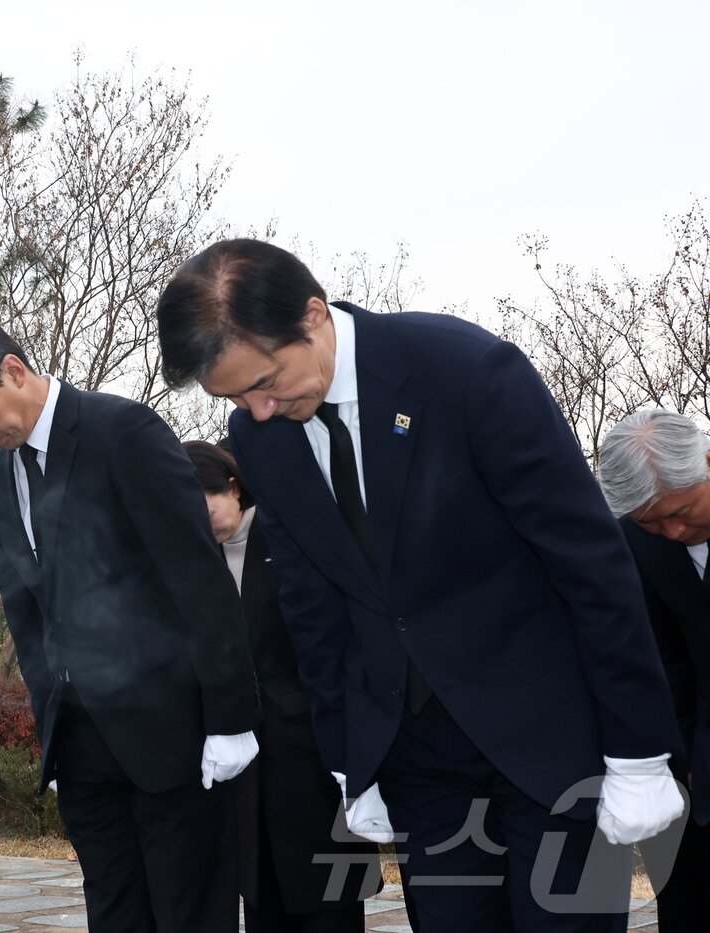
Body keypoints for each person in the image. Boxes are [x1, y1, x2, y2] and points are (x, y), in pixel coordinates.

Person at [154, 238, 684, 932]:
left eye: (265, 380)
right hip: (417, 757)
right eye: (234, 396)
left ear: (312, 315)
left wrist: (639, 748)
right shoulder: (261, 439)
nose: (256, 409)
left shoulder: (464, 371)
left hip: (548, 738)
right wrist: (349, 760)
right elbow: (312, 607)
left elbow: (590, 561)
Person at [0, 307, 261, 932]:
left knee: (188, 914)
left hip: (172, 737)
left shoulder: (122, 431)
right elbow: (26, 609)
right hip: (81, 743)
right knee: (115, 913)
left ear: (12, 370)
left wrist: (230, 719)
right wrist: (51, 724)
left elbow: (198, 580)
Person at [184, 440, 378, 933]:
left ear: (232, 486)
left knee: (326, 901)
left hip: (308, 750)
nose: (202, 522)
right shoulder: (195, 561)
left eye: (207, 506)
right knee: (263, 897)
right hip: (242, 763)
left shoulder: (286, 532)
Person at [596, 409, 710, 931]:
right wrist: (682, 759)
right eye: (654, 520)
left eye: (684, 510)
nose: (674, 529)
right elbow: (661, 662)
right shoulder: (632, 542)